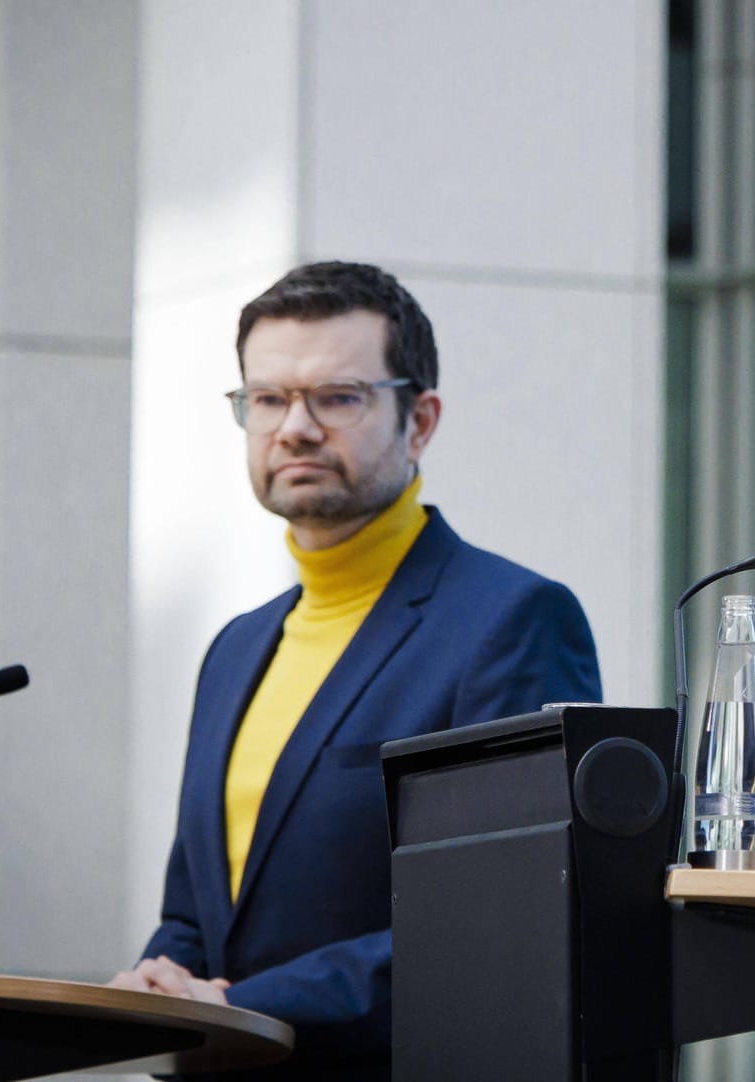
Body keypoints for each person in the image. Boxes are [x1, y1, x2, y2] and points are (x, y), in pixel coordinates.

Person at [109, 261, 601, 1078]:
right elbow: (196, 914)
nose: (294, 428)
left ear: (421, 421)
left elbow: (503, 913)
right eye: (266, 399)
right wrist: (161, 983)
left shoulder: (509, 621)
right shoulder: (235, 649)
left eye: (337, 397)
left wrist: (238, 1008)